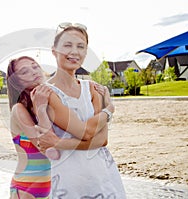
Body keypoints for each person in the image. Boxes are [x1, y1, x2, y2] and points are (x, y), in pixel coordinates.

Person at [37, 22, 126, 198]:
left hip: (102, 176)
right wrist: (108, 110)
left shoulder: (94, 89)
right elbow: (86, 132)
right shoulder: (45, 93)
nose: (74, 52)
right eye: (67, 45)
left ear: (86, 52)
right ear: (54, 50)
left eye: (80, 46)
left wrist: (58, 142)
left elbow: (102, 140)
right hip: (69, 180)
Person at [7, 56, 114, 198]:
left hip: (55, 185)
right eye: (24, 71)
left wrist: (102, 101)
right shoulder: (19, 109)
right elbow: (53, 153)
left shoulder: (52, 100)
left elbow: (82, 129)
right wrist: (41, 110)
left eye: (35, 66)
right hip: (28, 187)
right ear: (17, 82)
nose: (33, 72)